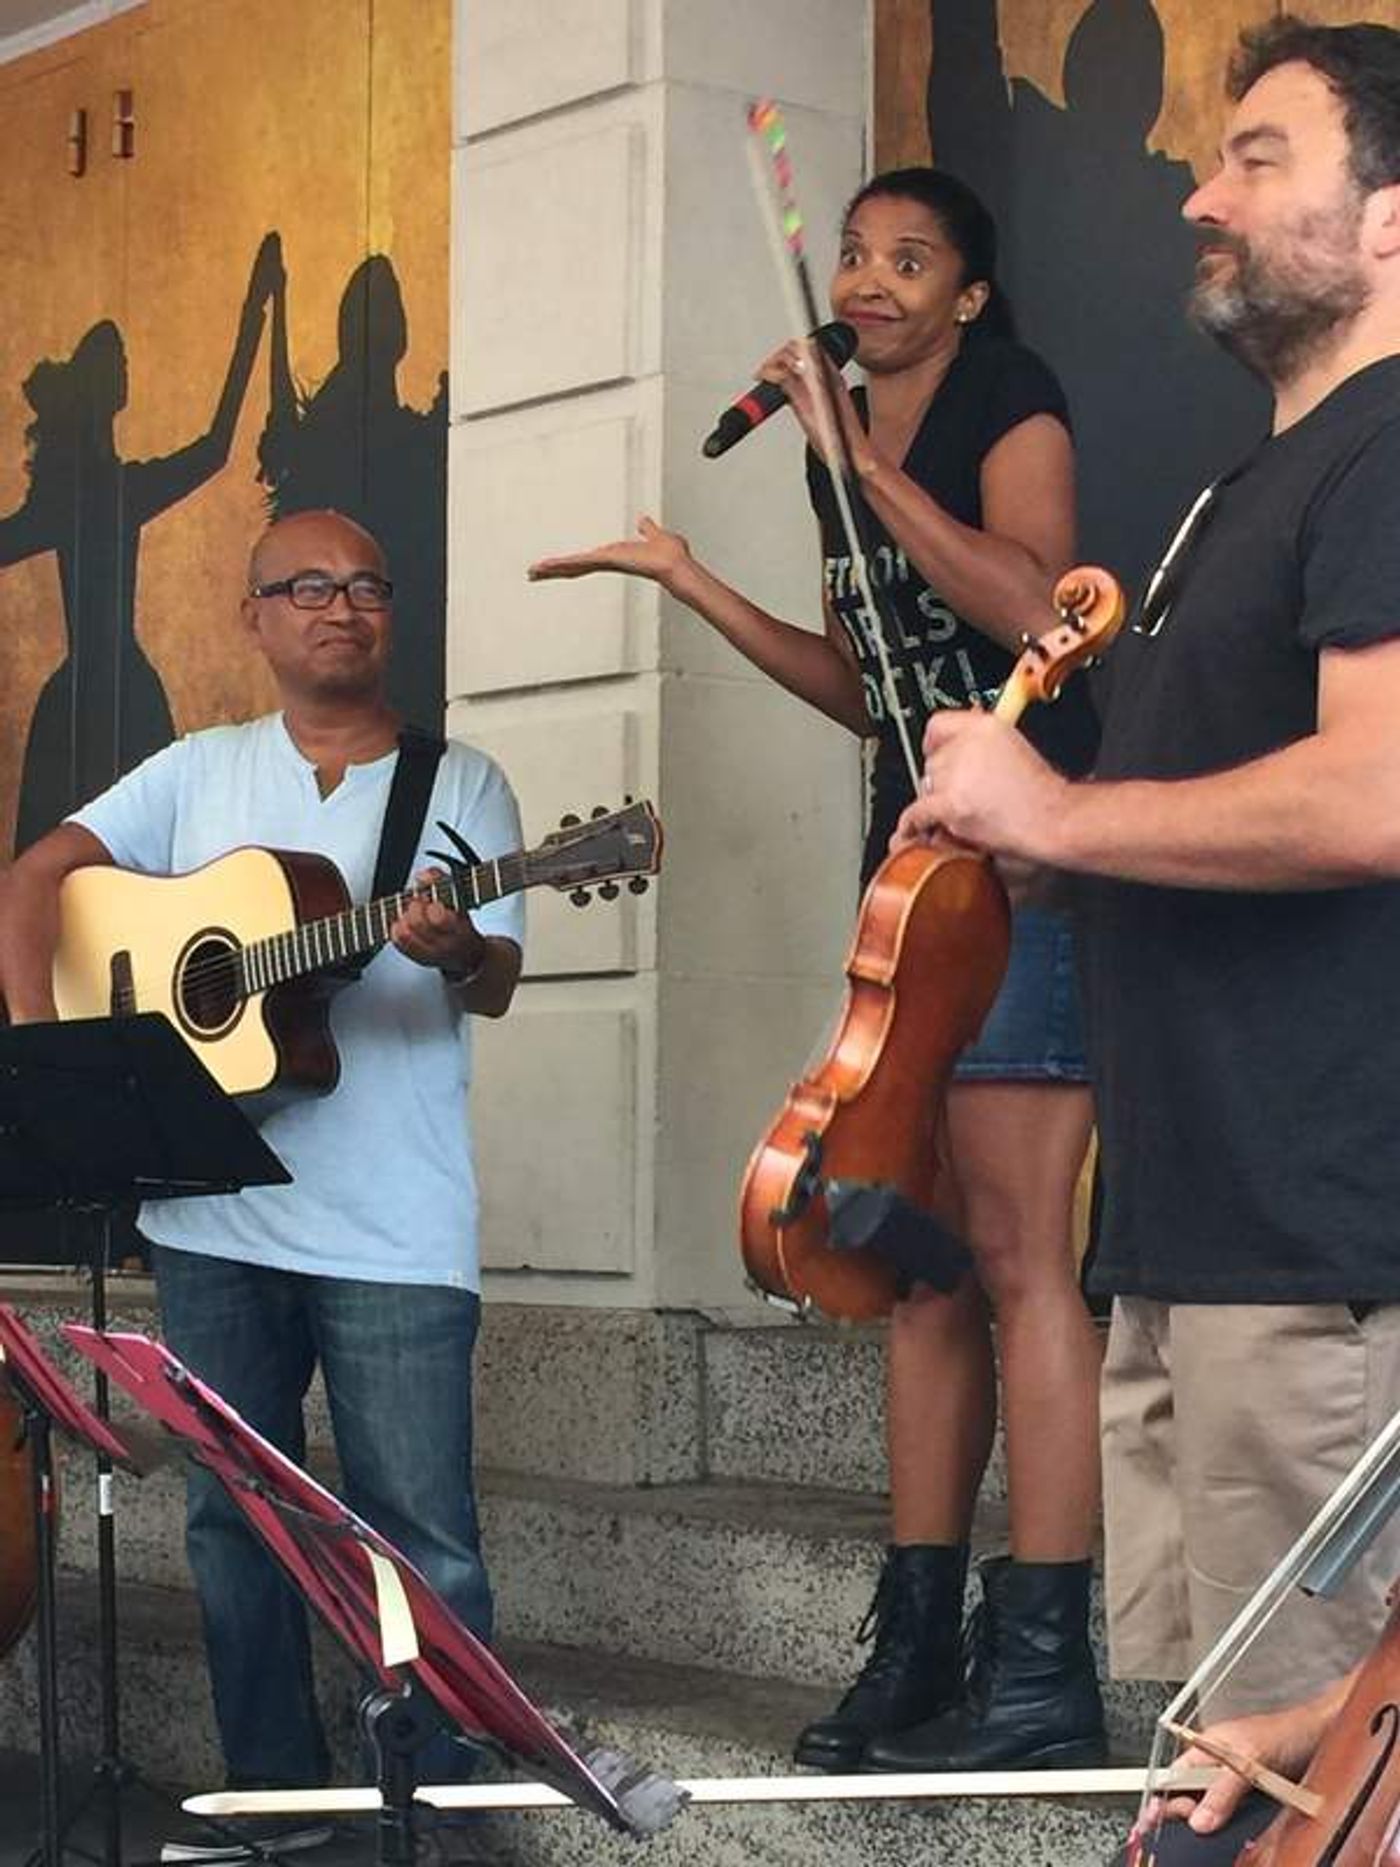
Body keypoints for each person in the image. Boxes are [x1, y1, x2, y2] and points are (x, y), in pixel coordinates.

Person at [530, 167, 1106, 1774]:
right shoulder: (836, 452)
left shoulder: (1012, 401)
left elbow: (1036, 607)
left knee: (1013, 1257)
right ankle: (916, 1641)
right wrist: (692, 583)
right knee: (910, 1265)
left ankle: (1046, 1664)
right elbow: (876, 687)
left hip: (1028, 873)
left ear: (969, 296)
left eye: (908, 260)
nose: (868, 281)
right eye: (854, 254)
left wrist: (860, 462)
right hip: (908, 885)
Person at [894, 11, 1400, 1785]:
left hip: (1319, 1252)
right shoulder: (1250, 486)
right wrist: (1062, 829)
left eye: (1261, 158)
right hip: (1194, 1236)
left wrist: (1068, 814)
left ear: (1395, 217)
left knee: (1321, 1791)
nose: (1200, 192)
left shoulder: (1394, 447)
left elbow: (1381, 789)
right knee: (1230, 1778)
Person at [0, 508, 524, 1862]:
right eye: (307, 587)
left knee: (420, 1538)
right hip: (214, 1215)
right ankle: (275, 1801)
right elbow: (40, 879)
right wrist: (53, 1049)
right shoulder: (194, 771)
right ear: (256, 617)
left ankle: (443, 1810)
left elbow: (502, 979)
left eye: (366, 585)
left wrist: (458, 945)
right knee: (231, 1518)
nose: (339, 608)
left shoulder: (459, 789)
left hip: (397, 1226)